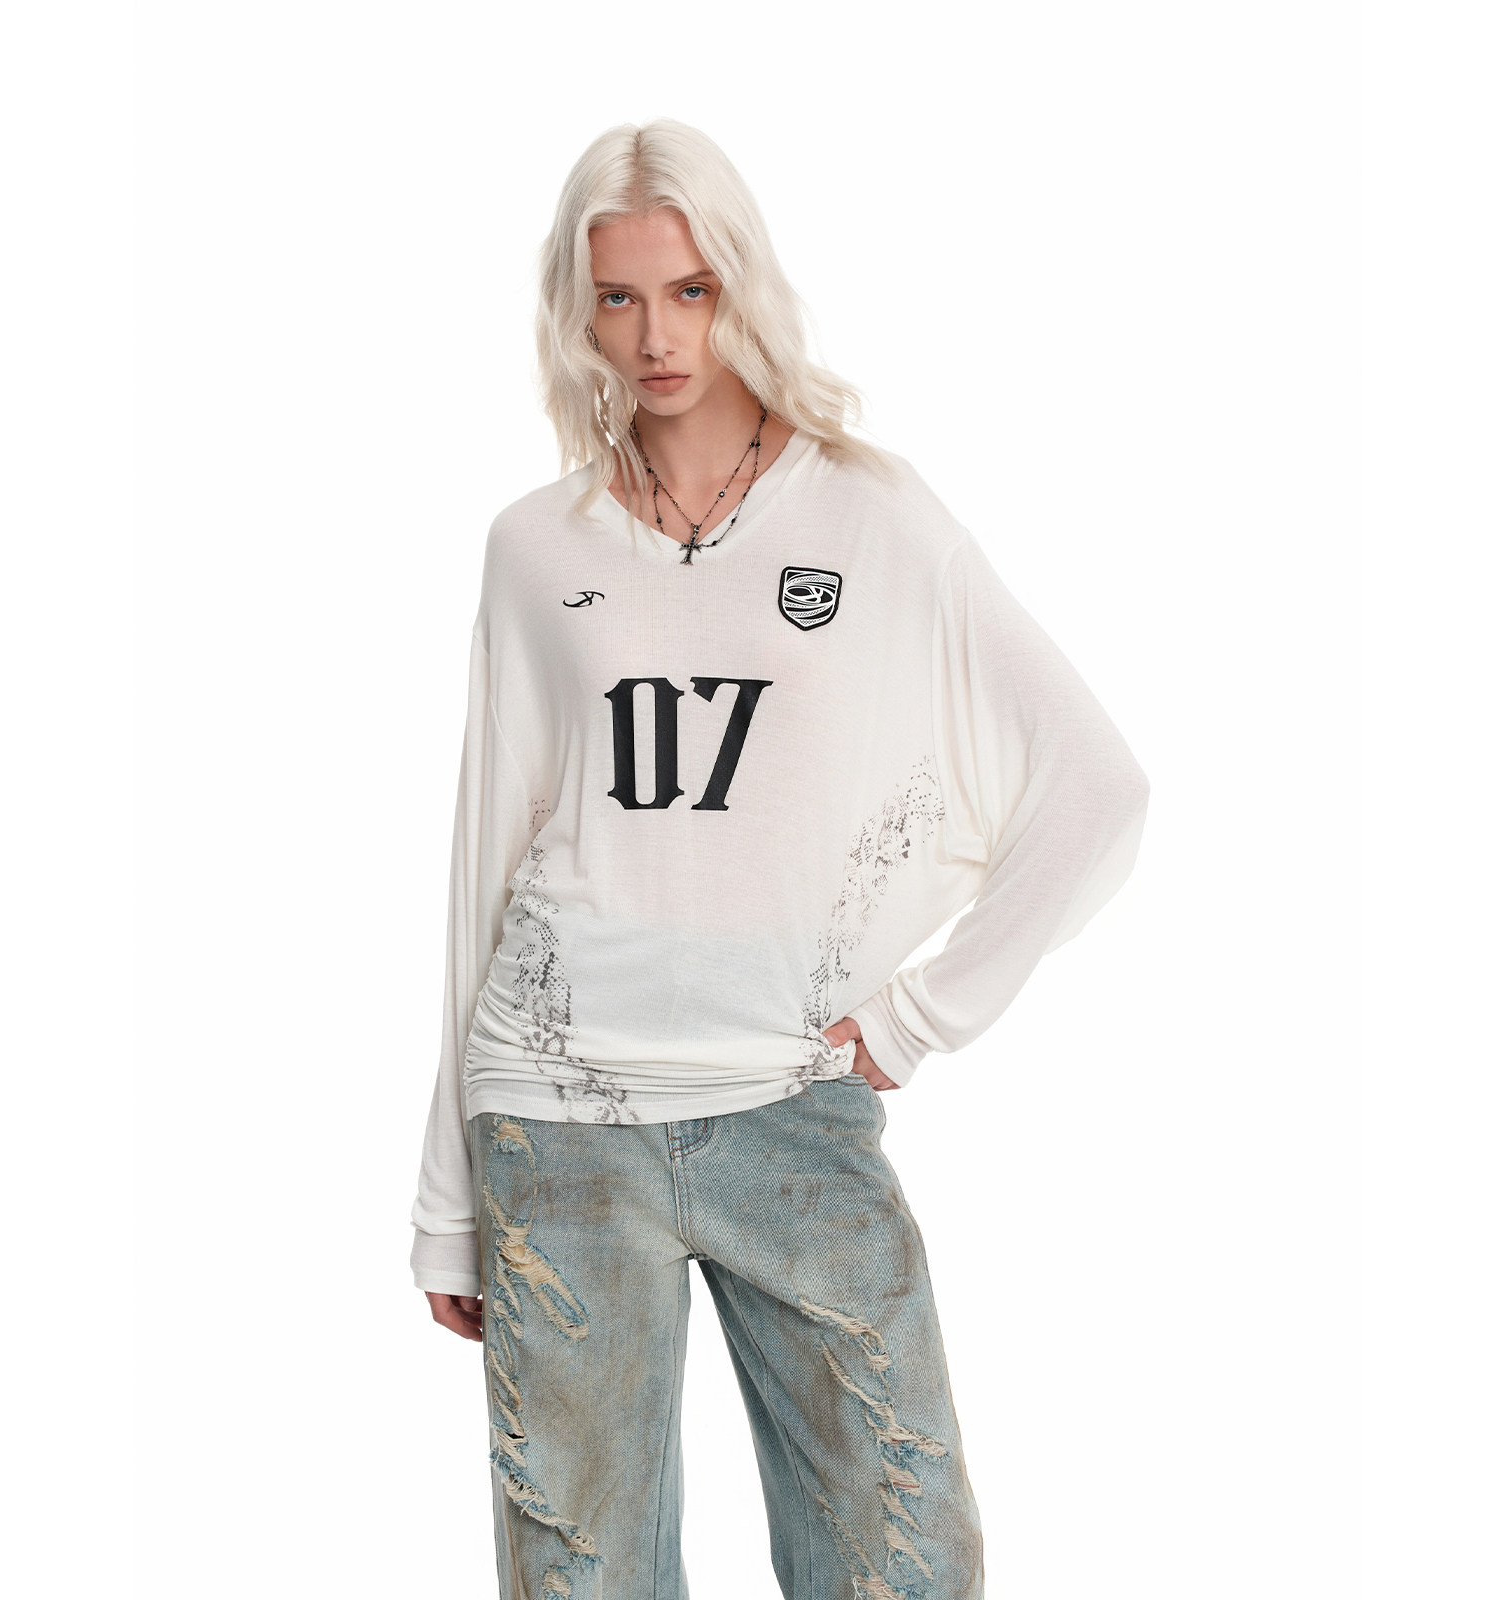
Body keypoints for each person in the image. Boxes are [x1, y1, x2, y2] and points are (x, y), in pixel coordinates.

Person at [409, 117, 1149, 1600]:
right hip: (557, 1119)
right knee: (583, 1582)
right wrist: (447, 1199)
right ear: (576, 313)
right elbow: (485, 858)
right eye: (619, 299)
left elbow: (1096, 787)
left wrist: (920, 1017)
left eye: (690, 291)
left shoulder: (870, 513)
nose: (656, 337)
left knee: (902, 1563)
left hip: (791, 1112)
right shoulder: (534, 546)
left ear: (740, 284)